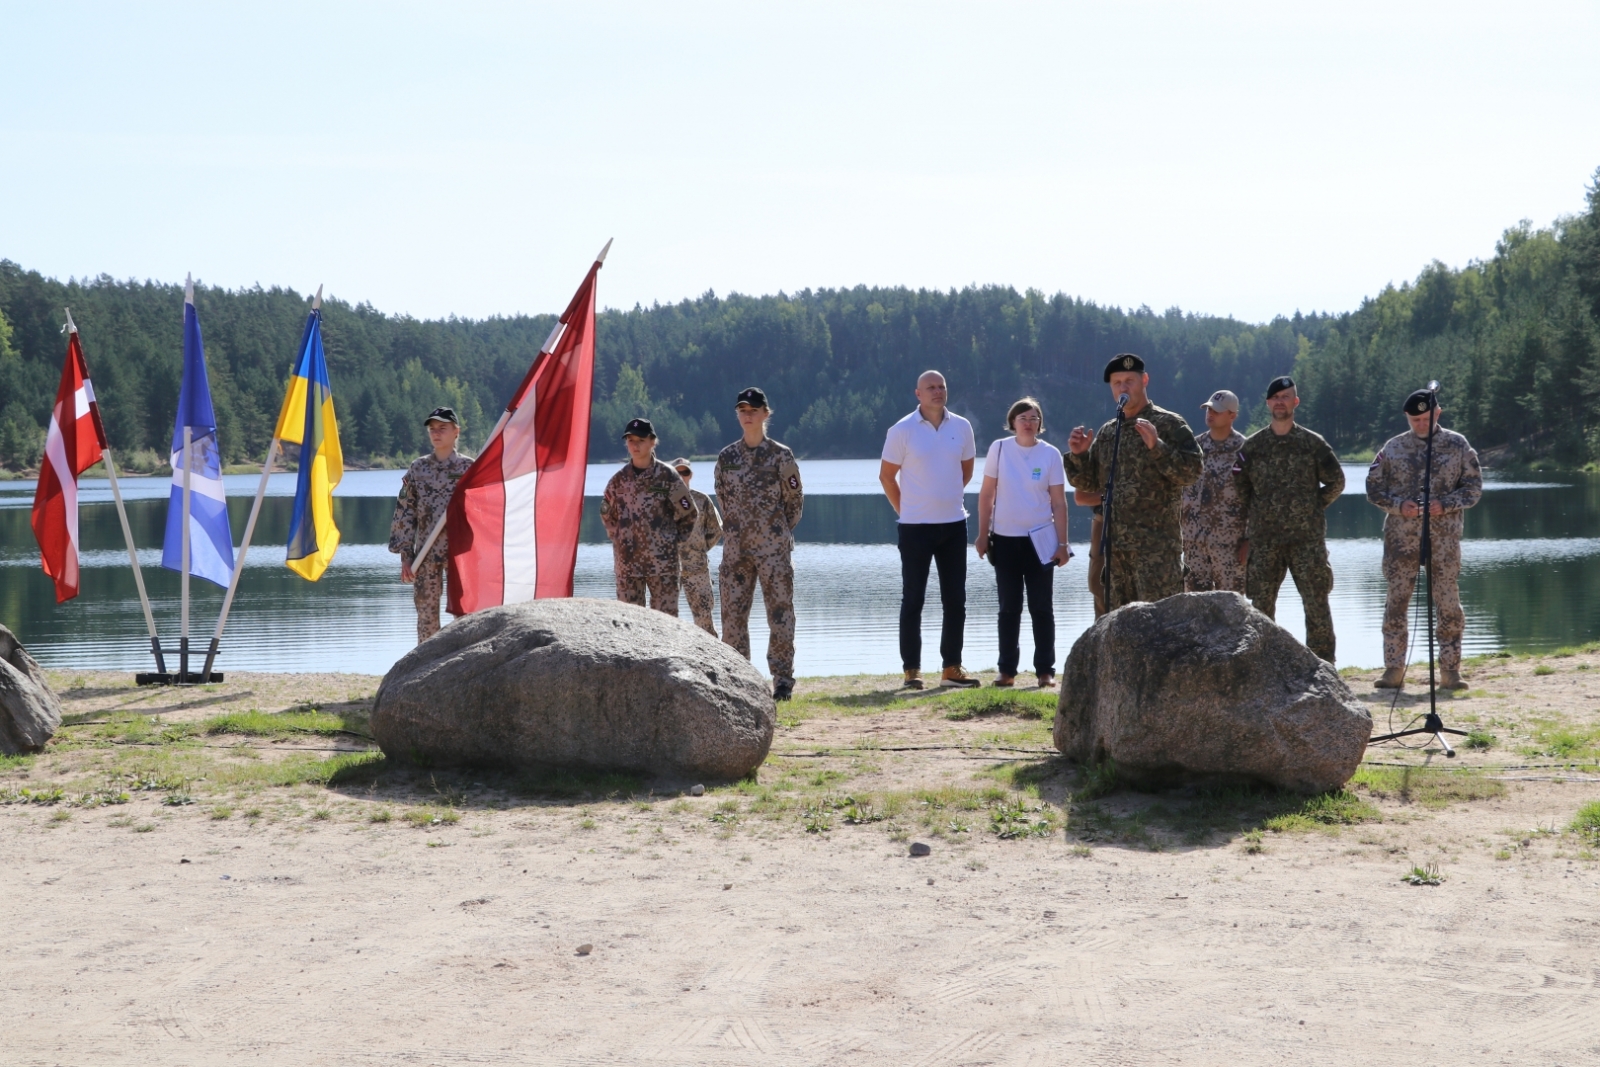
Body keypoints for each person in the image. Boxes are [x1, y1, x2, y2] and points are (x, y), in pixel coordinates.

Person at [1365, 389, 1483, 690]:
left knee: (1448, 605)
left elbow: (1473, 489)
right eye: (1414, 419)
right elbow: (1373, 488)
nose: (1420, 424)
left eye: (1425, 418)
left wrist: (1446, 503)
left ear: (1438, 414)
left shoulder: (1457, 445)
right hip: (1401, 541)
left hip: (1443, 540)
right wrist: (1398, 505)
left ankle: (1450, 671)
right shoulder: (1393, 448)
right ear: (1407, 417)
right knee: (1396, 603)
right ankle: (1393, 669)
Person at [1064, 354, 1201, 610]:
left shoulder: (1169, 424)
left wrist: (1156, 447)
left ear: (1144, 380)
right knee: (1121, 634)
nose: (1123, 388)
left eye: (1129, 381)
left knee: (1161, 630)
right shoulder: (1107, 433)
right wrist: (1080, 455)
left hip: (1156, 553)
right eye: (1117, 383)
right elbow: (1089, 485)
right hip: (1116, 555)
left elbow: (1191, 472)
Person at [1232, 376, 1345, 663]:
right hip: (1265, 540)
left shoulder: (1312, 443)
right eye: (1275, 397)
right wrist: (1259, 513)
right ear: (1268, 403)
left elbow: (1336, 481)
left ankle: (1323, 666)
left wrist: (1312, 507)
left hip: (1306, 540)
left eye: (1286, 396)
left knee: (1316, 603)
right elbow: (1239, 484)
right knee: (1261, 607)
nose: (1280, 401)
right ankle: (1263, 665)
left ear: (1295, 402)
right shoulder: (1253, 446)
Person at [880, 370, 981, 689]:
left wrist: (944, 498)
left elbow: (964, 472)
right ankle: (912, 671)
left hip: (954, 525)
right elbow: (886, 477)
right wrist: (907, 510)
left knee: (956, 600)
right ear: (918, 394)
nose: (937, 391)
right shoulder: (901, 430)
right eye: (930, 387)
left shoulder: (962, 427)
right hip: (914, 529)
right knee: (913, 599)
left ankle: (952, 668)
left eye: (942, 386)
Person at [974, 397, 1070, 688]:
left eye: (1033, 418)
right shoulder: (999, 449)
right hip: (1005, 540)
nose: (1028, 423)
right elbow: (987, 494)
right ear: (1012, 422)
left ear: (1040, 424)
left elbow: (1058, 502)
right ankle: (1007, 670)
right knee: (1008, 608)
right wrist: (981, 534)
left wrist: (1063, 544)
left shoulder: (1051, 454)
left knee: (1042, 607)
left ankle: (1045, 670)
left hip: (1041, 542)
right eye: (1022, 418)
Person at [715, 388, 804, 701]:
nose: (747, 414)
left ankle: (781, 681)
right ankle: (738, 679)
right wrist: (741, 530)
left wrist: (775, 532)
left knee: (780, 615)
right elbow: (723, 499)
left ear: (766, 414)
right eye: (742, 409)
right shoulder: (726, 458)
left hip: (773, 551)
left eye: (754, 409)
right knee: (733, 618)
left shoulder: (781, 456)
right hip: (736, 551)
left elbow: (794, 502)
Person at [389, 407, 474, 643]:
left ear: (456, 431)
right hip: (426, 555)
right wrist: (406, 555)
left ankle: (464, 667)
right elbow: (405, 511)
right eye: (432, 429)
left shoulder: (469, 469)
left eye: (442, 428)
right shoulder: (418, 469)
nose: (436, 433)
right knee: (426, 619)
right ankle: (426, 671)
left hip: (460, 555)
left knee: (464, 617)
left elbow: (485, 511)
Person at [600, 418, 698, 615]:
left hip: (662, 567)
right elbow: (606, 513)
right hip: (627, 567)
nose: (635, 445)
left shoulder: (667, 476)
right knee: (629, 623)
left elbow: (689, 514)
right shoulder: (618, 480)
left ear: (653, 441)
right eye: (630, 440)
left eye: (640, 440)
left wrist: (671, 542)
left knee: (666, 625)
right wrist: (619, 538)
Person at [1181, 389, 1248, 593]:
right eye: (1209, 409)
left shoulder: (1245, 450)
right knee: (1193, 609)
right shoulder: (1194, 447)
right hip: (1194, 544)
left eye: (1217, 411)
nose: (1210, 414)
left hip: (1229, 546)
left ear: (1232, 416)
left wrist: (1249, 539)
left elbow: (1259, 498)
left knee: (1230, 610)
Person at [670, 457, 722, 637]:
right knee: (665, 619)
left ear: (690, 475)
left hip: (697, 570)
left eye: (684, 472)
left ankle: (713, 662)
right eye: (677, 473)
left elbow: (716, 530)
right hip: (668, 571)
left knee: (704, 621)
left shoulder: (702, 500)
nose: (681, 476)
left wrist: (698, 551)